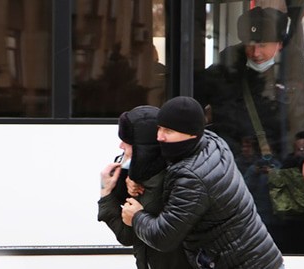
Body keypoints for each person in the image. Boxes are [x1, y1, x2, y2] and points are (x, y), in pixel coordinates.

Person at [194, 6, 304, 252]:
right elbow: (191, 102)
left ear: (280, 44)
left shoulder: (299, 76)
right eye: (251, 44)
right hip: (230, 170)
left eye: (263, 45)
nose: (256, 52)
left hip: (277, 174)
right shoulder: (223, 74)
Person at [121, 96, 284, 269]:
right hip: (260, 259)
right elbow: (169, 161)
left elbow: (164, 237)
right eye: (159, 128)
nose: (160, 137)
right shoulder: (211, 141)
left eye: (168, 131)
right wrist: (135, 176)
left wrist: (136, 217)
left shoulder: (193, 178)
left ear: (191, 134)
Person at [98, 105, 191, 269]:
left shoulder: (162, 184)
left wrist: (106, 193)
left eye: (127, 142)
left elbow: (126, 235)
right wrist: (126, 178)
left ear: (144, 148)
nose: (121, 146)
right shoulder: (146, 173)